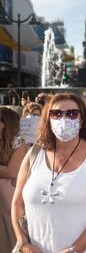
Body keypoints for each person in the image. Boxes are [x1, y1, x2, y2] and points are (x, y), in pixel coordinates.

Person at [11, 93, 86, 252]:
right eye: (56, 114)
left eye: (72, 113)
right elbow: (17, 203)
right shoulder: (34, 154)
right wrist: (23, 242)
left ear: (81, 120)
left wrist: (75, 250)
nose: (64, 119)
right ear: (48, 119)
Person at [0, 107, 26, 252]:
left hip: (9, 197)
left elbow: (11, 171)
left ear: (4, 124)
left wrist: (5, 171)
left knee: (11, 233)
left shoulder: (18, 141)